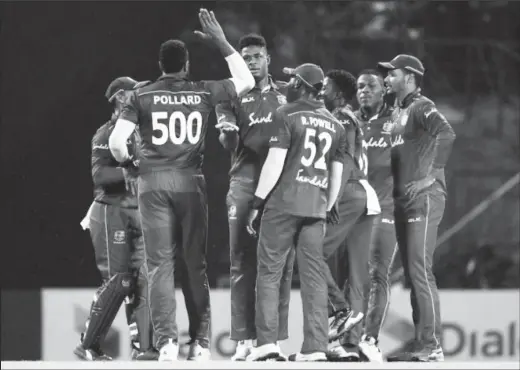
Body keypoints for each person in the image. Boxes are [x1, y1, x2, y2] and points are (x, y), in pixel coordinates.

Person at [108, 9, 254, 362]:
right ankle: (201, 343)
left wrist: (129, 163)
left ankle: (168, 344)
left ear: (160, 64)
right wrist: (221, 42)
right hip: (190, 183)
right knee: (195, 263)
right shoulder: (202, 92)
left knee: (159, 265)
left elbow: (116, 141)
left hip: (153, 183)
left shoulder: (140, 96)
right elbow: (246, 81)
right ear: (186, 64)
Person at [245, 64, 346, 362]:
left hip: (283, 204)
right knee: (314, 279)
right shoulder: (336, 125)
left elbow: (275, 162)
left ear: (301, 85)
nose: (288, 83)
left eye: (292, 80)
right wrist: (325, 208)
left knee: (270, 273)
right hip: (315, 207)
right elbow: (336, 174)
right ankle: (315, 348)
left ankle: (266, 344)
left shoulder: (286, 113)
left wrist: (257, 202)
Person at [215, 33, 293, 361]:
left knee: (280, 265)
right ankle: (244, 339)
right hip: (244, 185)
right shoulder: (230, 95)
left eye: (256, 56)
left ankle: (272, 338)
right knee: (241, 263)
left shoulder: (287, 95)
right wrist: (229, 136)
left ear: (268, 59)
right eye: (245, 57)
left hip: (280, 186)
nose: (251, 62)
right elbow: (227, 142)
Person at [377, 54, 456, 362]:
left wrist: (429, 177)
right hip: (402, 199)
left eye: (391, 74)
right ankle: (422, 342)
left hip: (423, 198)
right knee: (413, 272)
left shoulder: (422, 106)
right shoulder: (398, 110)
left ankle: (431, 344)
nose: (386, 79)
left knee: (419, 269)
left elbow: (447, 133)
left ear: (409, 77)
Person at [75, 77, 155, 361]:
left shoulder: (142, 130)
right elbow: (100, 177)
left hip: (137, 212)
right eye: (135, 91)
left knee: (143, 281)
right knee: (119, 281)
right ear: (121, 97)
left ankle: (145, 349)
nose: (141, 94)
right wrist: (131, 171)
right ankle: (88, 345)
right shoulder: (105, 134)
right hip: (110, 211)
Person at [318, 69, 381, 362]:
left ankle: (339, 316)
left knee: (311, 256)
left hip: (349, 193)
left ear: (339, 94)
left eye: (326, 87)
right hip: (367, 198)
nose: (321, 92)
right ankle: (351, 343)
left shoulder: (341, 117)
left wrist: (332, 201)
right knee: (357, 273)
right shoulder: (349, 116)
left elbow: (342, 162)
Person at [354, 69, 401, 362]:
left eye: (370, 86)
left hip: (385, 208)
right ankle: (348, 338)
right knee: (352, 277)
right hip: (353, 211)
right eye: (359, 87)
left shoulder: (396, 121)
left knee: (377, 274)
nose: (364, 91)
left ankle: (370, 339)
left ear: (383, 89)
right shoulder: (350, 121)